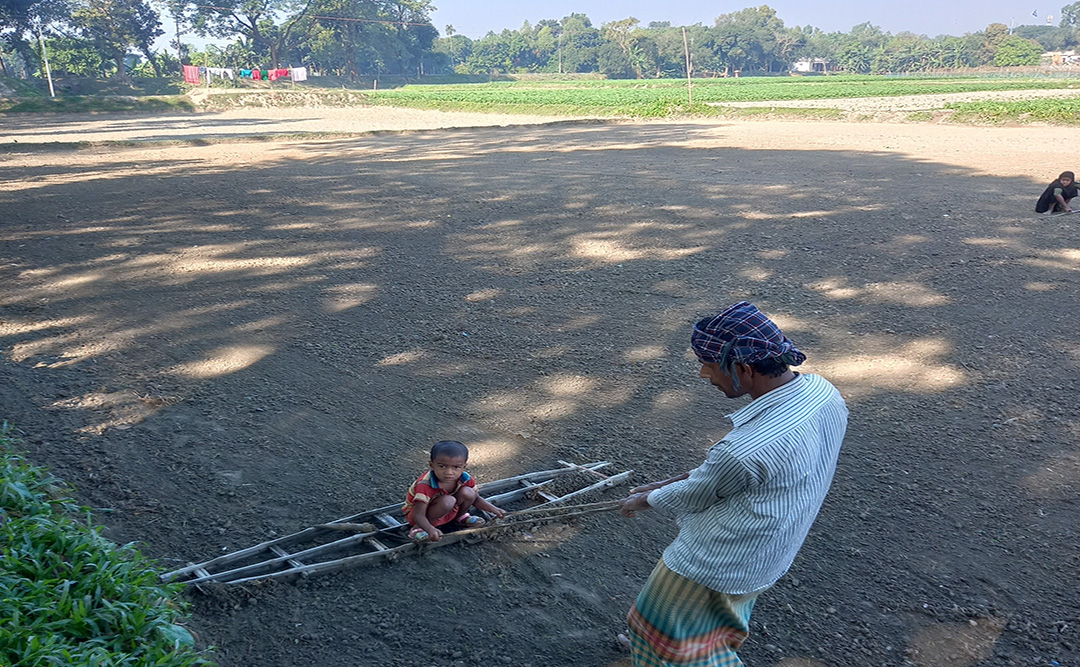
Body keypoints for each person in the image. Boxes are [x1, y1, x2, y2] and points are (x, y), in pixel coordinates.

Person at [618, 302, 849, 666]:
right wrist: (668, 482)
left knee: (656, 631)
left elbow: (697, 493)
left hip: (715, 562)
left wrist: (645, 500)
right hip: (769, 551)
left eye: (708, 363)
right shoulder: (823, 393)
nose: (703, 374)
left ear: (743, 368)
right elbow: (729, 479)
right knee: (715, 631)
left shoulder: (743, 451)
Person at [404, 440, 506, 542]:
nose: (449, 472)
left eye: (456, 467)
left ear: (464, 467)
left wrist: (494, 509)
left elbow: (476, 499)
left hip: (446, 510)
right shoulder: (425, 484)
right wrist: (430, 529)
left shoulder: (465, 479)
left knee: (469, 492)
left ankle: (460, 518)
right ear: (431, 465)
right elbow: (419, 515)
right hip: (418, 516)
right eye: (442, 466)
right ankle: (417, 529)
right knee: (448, 501)